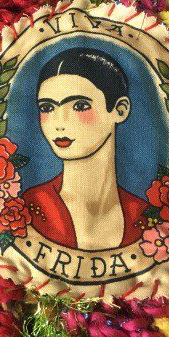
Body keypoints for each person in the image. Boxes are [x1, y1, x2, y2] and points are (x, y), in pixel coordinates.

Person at [22, 47, 147, 250]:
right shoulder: (26, 209)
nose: (59, 123)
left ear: (120, 110)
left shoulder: (145, 216)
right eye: (47, 108)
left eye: (79, 106)